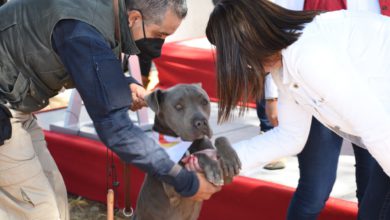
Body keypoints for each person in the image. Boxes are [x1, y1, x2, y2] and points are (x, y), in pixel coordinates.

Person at [0, 0, 220, 219]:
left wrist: (121, 84)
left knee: (54, 197)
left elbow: (83, 61)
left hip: (18, 109)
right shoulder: (82, 30)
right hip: (5, 113)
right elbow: (115, 127)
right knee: (38, 209)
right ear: (134, 18)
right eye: (160, 34)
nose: (159, 46)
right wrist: (183, 180)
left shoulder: (104, 14)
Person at [206, 0, 390, 219]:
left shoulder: (308, 54)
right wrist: (223, 161)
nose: (241, 67)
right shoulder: (285, 63)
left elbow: (377, 127)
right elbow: (290, 136)